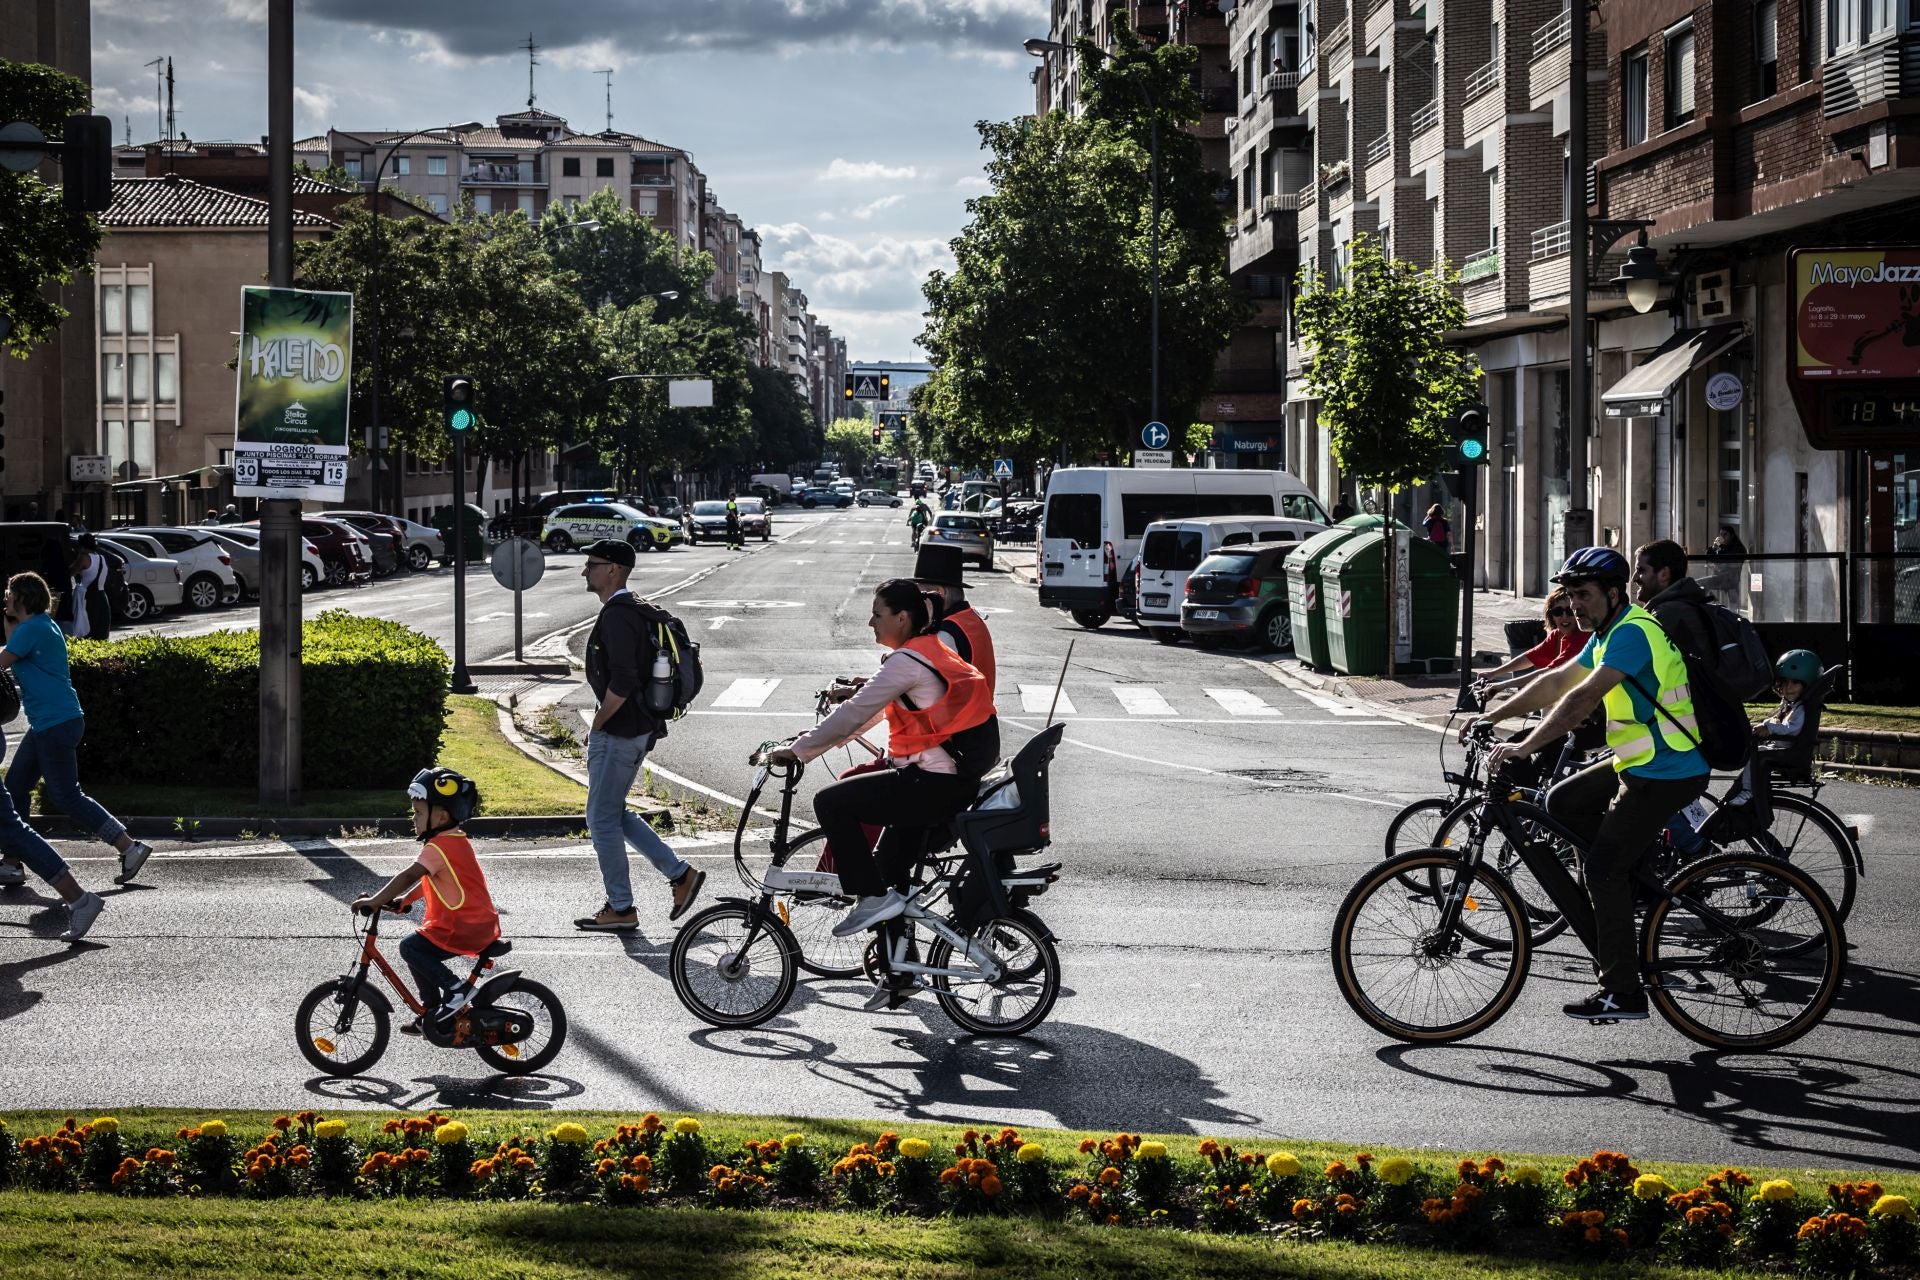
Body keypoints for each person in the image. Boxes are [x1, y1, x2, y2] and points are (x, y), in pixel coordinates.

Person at [1474, 547, 1710, 1023]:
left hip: (1667, 770)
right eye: (1568, 595)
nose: (1574, 605)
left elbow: (1581, 700)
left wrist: (1524, 746)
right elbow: (1560, 680)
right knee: (1562, 802)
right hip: (1639, 761)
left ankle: (1623, 991)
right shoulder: (1606, 633)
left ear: (1613, 592)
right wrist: (1494, 715)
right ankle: (1619, 891)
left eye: (1583, 595)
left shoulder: (1632, 634)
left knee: (1603, 870)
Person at [769, 581, 998, 989]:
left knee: (832, 803)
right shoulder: (923, 651)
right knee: (890, 872)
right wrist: (809, 739)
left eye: (877, 613)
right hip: (941, 780)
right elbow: (875, 711)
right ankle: (899, 972)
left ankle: (871, 900)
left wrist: (800, 750)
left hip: (930, 783)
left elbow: (859, 709)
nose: (871, 621)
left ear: (902, 618)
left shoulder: (908, 660)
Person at [573, 539, 703, 932]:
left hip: (621, 729)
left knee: (599, 818)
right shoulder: (636, 610)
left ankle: (621, 906)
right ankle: (680, 875)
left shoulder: (618, 615)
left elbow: (625, 680)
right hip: (634, 727)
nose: (585, 571)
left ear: (613, 569)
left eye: (592, 564)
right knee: (612, 812)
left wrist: (598, 723)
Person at [0, 573, 152, 890]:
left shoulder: (33, 629)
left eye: (9, 592)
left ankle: (129, 847)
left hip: (54, 724)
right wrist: (8, 616)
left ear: (23, 598)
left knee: (68, 797)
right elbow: (12, 640)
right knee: (15, 785)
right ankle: (12, 862)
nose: (5, 595)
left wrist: (9, 619)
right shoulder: (39, 625)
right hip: (52, 722)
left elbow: (2, 660)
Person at [351, 767, 499, 1034]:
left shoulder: (438, 847)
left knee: (411, 948)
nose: (414, 818)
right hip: (475, 923)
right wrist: (405, 901)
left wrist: (375, 900)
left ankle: (455, 989)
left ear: (440, 816)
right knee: (418, 947)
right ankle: (431, 1011)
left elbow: (409, 874)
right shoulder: (454, 841)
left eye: (419, 813)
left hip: (463, 926)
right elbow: (432, 880)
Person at [1724, 649, 1820, 809]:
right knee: (1751, 751)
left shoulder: (1802, 709)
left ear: (1807, 684)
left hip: (1789, 751)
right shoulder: (1791, 705)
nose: (1788, 687)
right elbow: (1780, 721)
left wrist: (1769, 728)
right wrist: (1768, 723)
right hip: (1780, 746)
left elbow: (1792, 729)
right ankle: (1746, 785)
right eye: (1785, 682)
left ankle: (1749, 791)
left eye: (1795, 683)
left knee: (1755, 755)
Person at [913, 543, 996, 696]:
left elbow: (925, 687)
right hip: (979, 716)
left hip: (961, 719)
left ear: (938, 592)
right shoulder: (969, 618)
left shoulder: (946, 633)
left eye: (921, 594)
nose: (917, 602)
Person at [1474, 589, 1581, 697]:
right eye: (1558, 612)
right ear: (1551, 616)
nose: (1564, 617)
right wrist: (1493, 673)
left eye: (1569, 611)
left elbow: (1553, 670)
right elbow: (1530, 657)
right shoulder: (1556, 635)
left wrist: (1503, 685)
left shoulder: (1583, 636)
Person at [1629, 538, 1715, 660]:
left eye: (1641, 570)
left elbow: (1632, 661)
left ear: (1664, 574)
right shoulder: (1686, 606)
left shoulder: (1666, 615)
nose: (1634, 578)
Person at [66, 537, 111, 642]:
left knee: (86, 631)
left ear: (82, 547)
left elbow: (70, 572)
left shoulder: (84, 558)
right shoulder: (102, 558)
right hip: (102, 597)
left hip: (89, 599)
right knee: (101, 633)